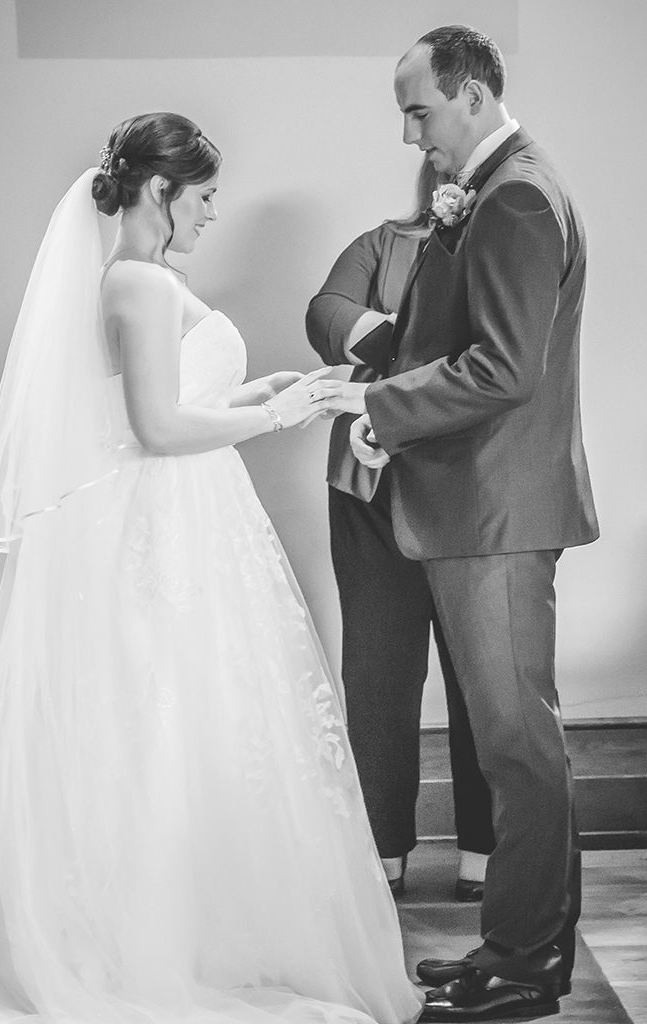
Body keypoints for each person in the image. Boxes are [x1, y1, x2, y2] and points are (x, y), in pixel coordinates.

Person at [0, 112, 424, 1024]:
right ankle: (143, 945)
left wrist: (257, 392)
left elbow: (161, 409)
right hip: (164, 520)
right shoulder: (139, 285)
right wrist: (272, 420)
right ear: (160, 190)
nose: (212, 212)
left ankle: (186, 928)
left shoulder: (145, 281)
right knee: (165, 721)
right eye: (203, 196)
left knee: (184, 719)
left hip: (183, 513)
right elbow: (155, 432)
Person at [305, 26, 598, 1023]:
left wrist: (376, 411)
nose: (407, 133)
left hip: (496, 514)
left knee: (518, 747)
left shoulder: (514, 193)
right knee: (513, 749)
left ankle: (524, 967)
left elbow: (503, 368)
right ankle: (517, 948)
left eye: (417, 109)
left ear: (469, 95)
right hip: (480, 505)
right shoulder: (495, 187)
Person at [306, 159, 495, 900]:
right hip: (368, 490)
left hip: (471, 494)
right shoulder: (378, 244)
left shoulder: (504, 247)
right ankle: (381, 848)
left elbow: (501, 358)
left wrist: (397, 352)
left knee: (479, 676)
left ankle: (484, 848)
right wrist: (415, 350)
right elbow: (325, 316)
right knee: (378, 673)